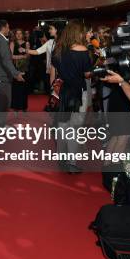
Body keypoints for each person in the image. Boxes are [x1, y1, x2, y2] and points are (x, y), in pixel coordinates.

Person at [51, 20, 92, 173]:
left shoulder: (58, 50)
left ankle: (61, 158)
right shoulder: (83, 50)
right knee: (74, 128)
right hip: (78, 92)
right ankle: (71, 162)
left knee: (63, 126)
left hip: (64, 92)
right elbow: (87, 74)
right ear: (78, 33)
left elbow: (55, 67)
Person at [0, 20, 24, 115]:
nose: (9, 29)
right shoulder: (2, 41)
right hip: (3, 78)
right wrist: (16, 74)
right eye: (8, 27)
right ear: (3, 28)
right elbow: (6, 60)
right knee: (3, 105)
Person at [28, 24, 59, 88]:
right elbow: (37, 52)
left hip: (61, 71)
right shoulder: (50, 42)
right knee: (52, 91)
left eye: (51, 29)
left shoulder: (65, 42)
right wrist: (25, 50)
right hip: (51, 70)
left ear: (57, 30)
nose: (49, 31)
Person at [10, 29, 30, 112]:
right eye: (17, 34)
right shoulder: (12, 43)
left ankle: (24, 107)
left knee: (24, 88)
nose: (18, 35)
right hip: (15, 68)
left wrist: (23, 56)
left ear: (23, 35)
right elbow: (11, 56)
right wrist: (21, 56)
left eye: (20, 33)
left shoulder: (27, 43)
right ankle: (16, 107)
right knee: (16, 88)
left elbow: (28, 55)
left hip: (24, 68)